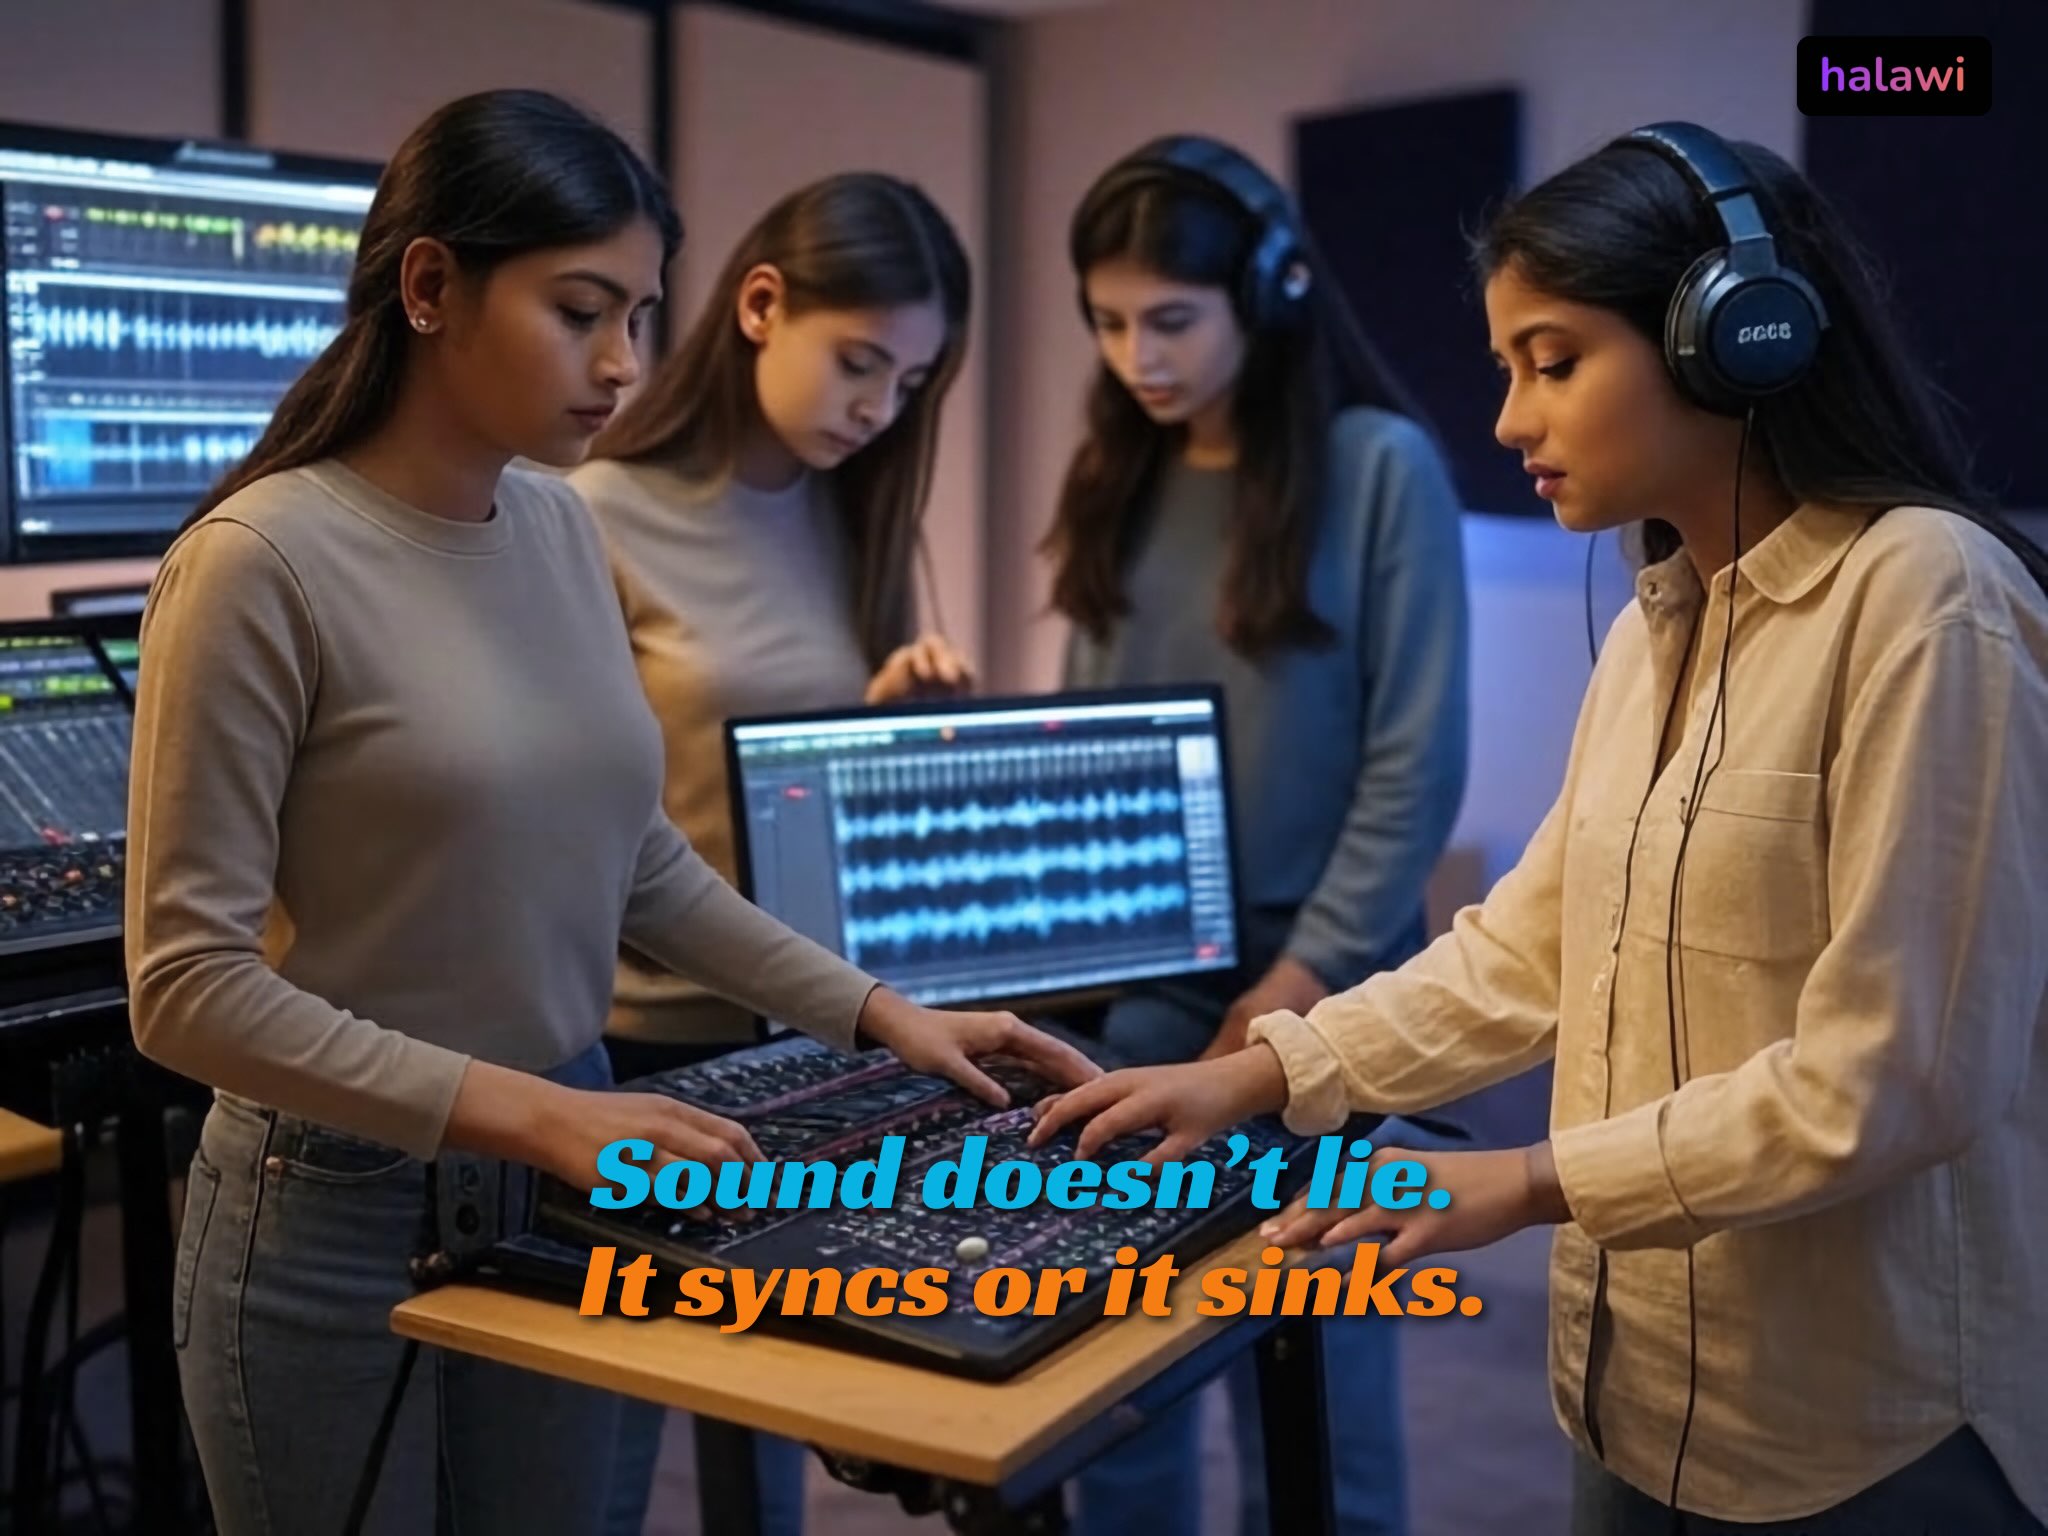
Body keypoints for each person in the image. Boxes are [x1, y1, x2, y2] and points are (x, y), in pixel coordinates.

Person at [1031, 122, 2048, 1536]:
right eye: (1510, 368)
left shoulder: (1929, 598)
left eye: (1554, 363)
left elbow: (1895, 1079)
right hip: (1629, 1398)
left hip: (1862, 1428)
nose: (1509, 420)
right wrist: (1263, 1076)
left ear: (1733, 342)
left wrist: (1523, 1181)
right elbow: (1531, 950)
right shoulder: (1654, 626)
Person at [126, 89, 1094, 1536]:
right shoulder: (258, 562)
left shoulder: (562, 527)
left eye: (638, 315)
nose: (622, 364)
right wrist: (547, 1117)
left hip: (565, 1166)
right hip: (334, 1207)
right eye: (582, 311)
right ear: (433, 286)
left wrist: (878, 1011)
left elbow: (633, 859)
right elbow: (186, 992)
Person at [1043, 135, 1470, 1536]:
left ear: (1272, 293)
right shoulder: (1123, 470)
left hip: (1331, 989)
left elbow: (1413, 765)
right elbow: (1088, 746)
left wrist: (1297, 990)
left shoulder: (1378, 465)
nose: (1136, 357)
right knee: (1123, 1371)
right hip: (1150, 987)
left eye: (1169, 320)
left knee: (1318, 1368)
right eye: (1109, 324)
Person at [571, 172, 976, 1535]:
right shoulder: (593, 511)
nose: (878, 407)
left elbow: (803, 798)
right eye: (859, 362)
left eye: (910, 383)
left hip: (806, 1026)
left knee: (773, 1441)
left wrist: (892, 734)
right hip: (633, 1040)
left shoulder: (852, 513)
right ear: (759, 305)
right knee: (602, 1451)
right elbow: (582, 809)